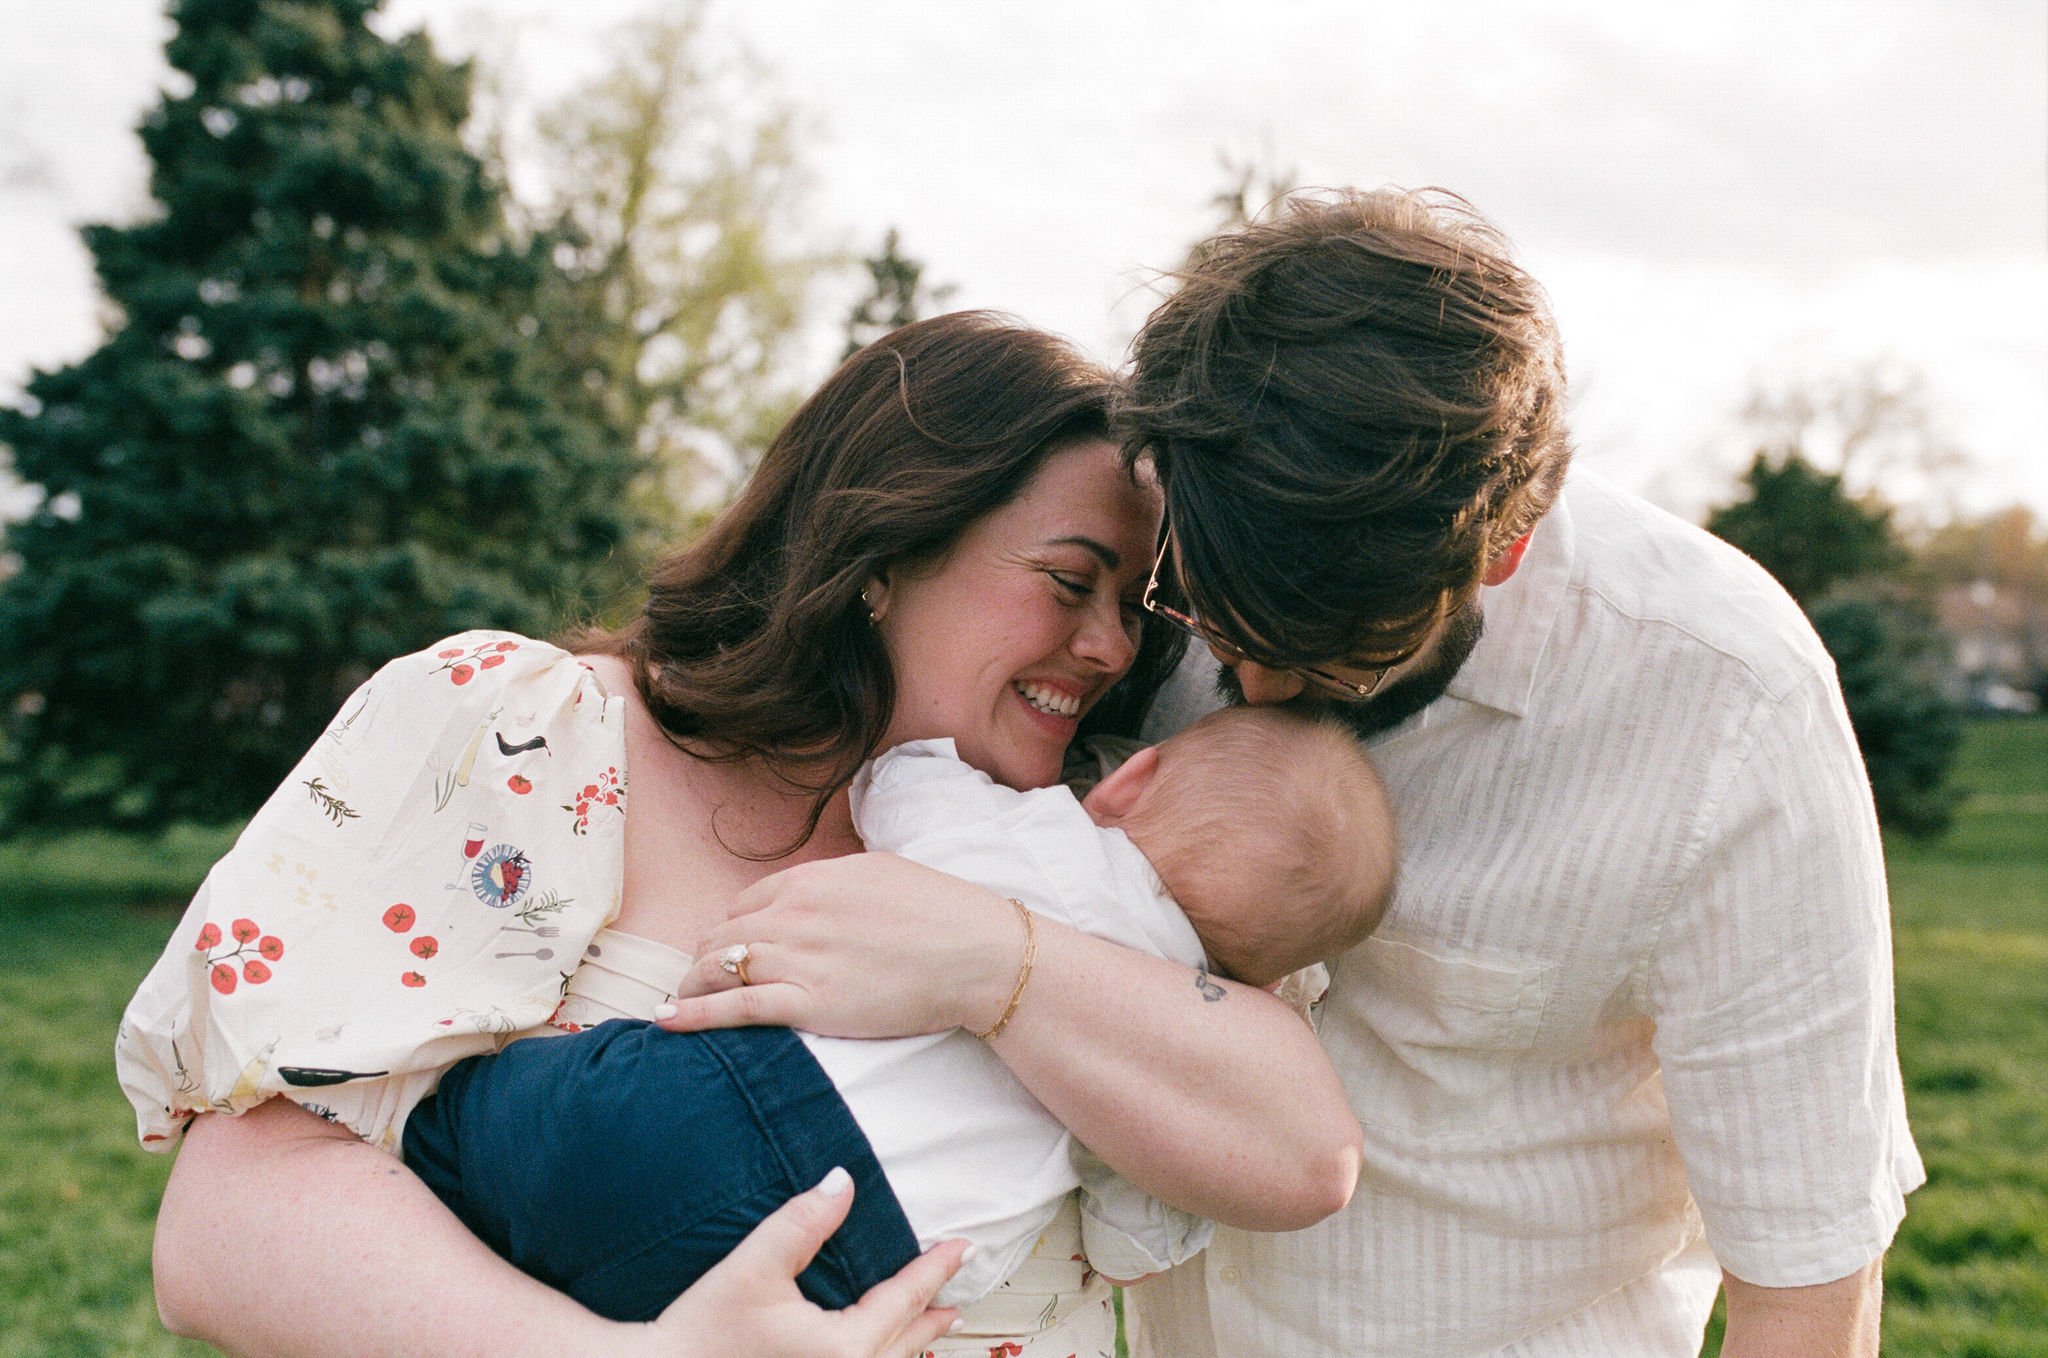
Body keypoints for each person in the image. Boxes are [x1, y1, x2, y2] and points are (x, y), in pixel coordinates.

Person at [123, 311, 1364, 1358]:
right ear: (885, 549)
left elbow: (1301, 1150)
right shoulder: (533, 734)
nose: (1108, 647)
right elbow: (227, 1222)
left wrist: (995, 963)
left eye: (1131, 610)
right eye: (1066, 579)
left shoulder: (1111, 842)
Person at [1103, 188, 1924, 1357]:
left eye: (1335, 656)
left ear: (1505, 543)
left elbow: (1806, 1282)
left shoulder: (1725, 698)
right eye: (1221, 630)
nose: (1258, 692)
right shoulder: (1160, 552)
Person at [397, 706, 1392, 1320]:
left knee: (478, 1127)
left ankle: (426, 1150)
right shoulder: (1166, 1043)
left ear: (1129, 779)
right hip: (863, 1246)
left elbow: (897, 779)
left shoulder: (1038, 833)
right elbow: (1133, 1233)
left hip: (722, 1095)